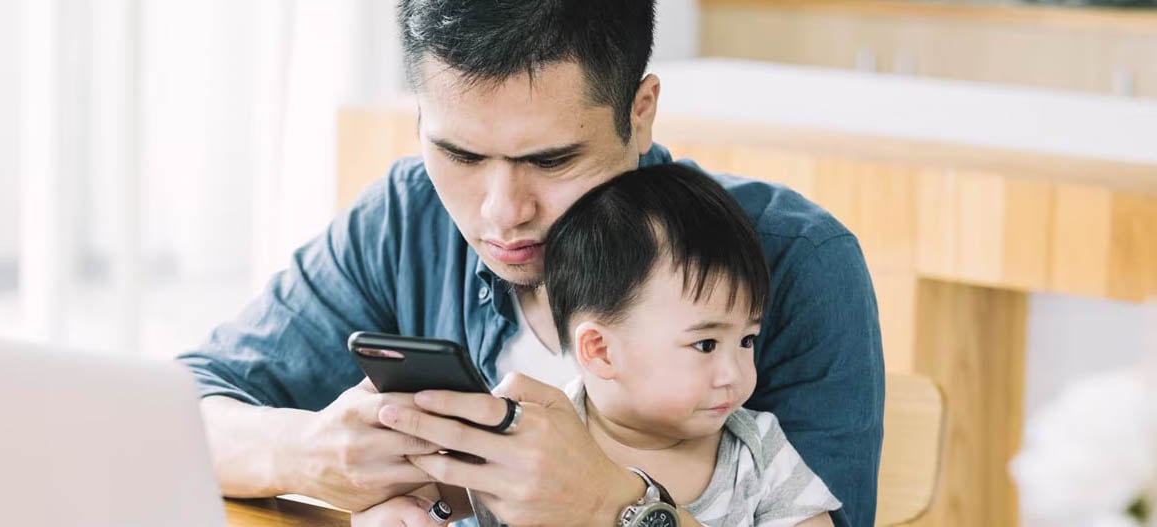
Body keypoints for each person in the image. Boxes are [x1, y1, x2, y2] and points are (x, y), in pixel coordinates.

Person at [176, 1, 885, 526]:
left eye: (551, 159)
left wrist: (615, 505)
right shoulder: (406, 216)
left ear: (639, 113)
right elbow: (180, 409)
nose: (500, 212)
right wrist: (309, 451)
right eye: (458, 153)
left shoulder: (794, 261)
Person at [356, 163, 844, 527]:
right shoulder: (540, 439)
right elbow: (427, 495)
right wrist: (398, 508)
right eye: (706, 345)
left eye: (747, 340)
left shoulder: (758, 453)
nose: (735, 373)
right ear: (601, 351)